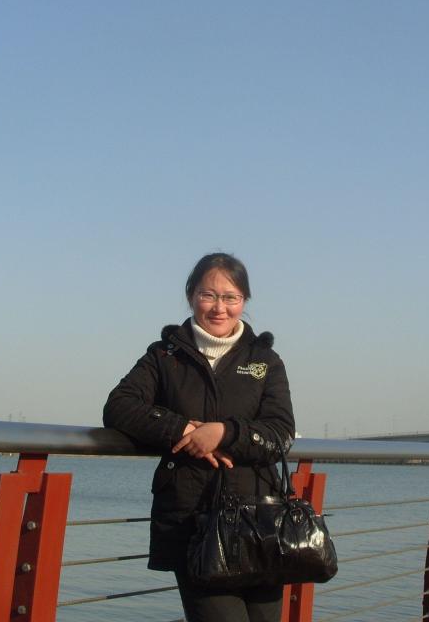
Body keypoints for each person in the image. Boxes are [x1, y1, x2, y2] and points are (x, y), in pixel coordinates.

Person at [103, 252, 295, 622]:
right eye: (209, 295)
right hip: (193, 521)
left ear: (244, 301)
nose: (220, 308)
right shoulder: (165, 356)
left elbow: (281, 432)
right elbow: (119, 406)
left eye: (231, 297)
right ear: (191, 296)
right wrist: (184, 430)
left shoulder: (264, 360)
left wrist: (224, 432)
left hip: (261, 521)